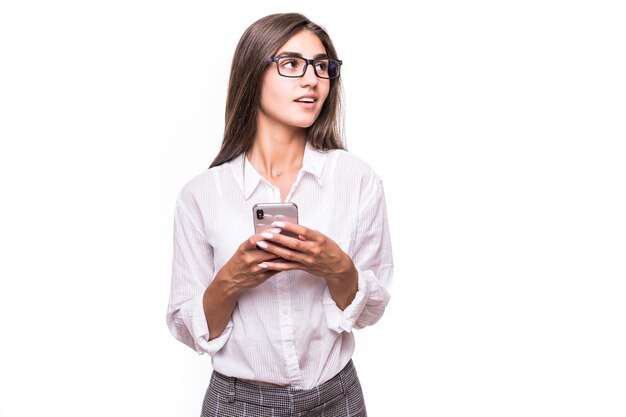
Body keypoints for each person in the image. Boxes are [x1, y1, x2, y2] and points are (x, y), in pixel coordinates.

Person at [166, 12, 393, 417]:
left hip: (337, 398)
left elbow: (370, 311)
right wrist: (232, 278)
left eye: (323, 67)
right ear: (253, 72)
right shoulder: (201, 195)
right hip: (239, 404)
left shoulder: (356, 179)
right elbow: (190, 329)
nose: (312, 80)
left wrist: (337, 268)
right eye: (291, 64)